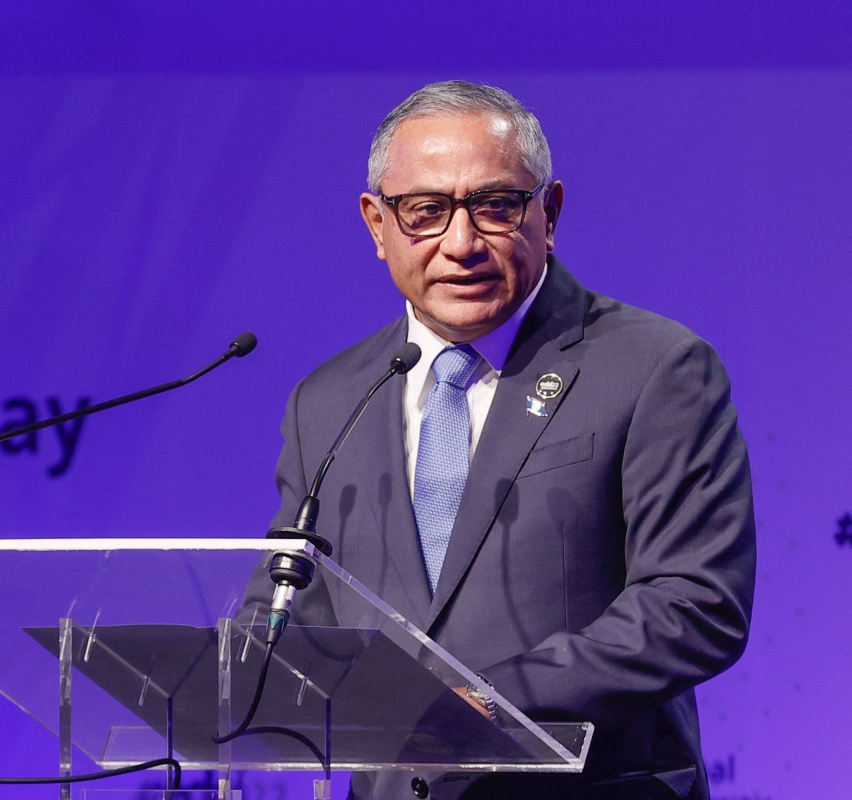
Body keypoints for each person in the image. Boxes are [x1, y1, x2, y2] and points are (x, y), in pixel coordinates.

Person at [263, 81, 755, 799]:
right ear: (377, 224)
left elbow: (695, 602)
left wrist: (486, 699)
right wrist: (217, 676)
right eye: (425, 211)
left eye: (495, 206)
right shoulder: (329, 399)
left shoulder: (654, 367)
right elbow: (288, 606)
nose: (460, 244)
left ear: (548, 213)